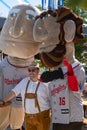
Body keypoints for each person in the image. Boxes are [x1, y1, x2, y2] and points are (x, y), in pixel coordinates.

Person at [0, 61, 50, 130]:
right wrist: (3, 101)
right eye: (29, 70)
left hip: (42, 116)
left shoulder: (45, 84)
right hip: (28, 116)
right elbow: (14, 92)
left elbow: (51, 99)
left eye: (33, 70)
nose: (31, 72)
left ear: (38, 70)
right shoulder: (24, 81)